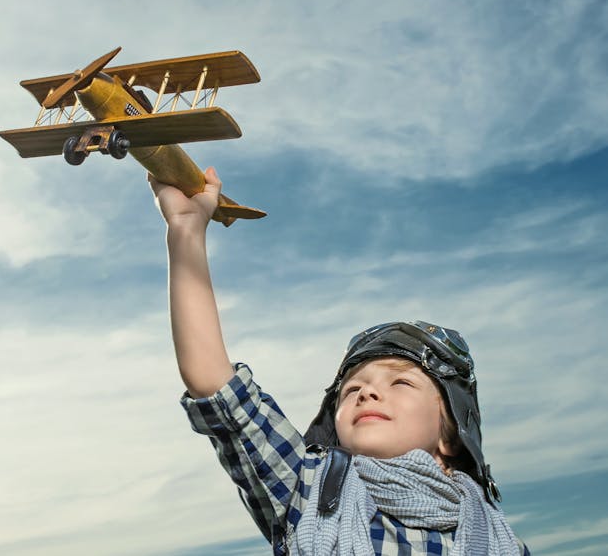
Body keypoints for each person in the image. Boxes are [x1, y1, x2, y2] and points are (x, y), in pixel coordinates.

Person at [149, 167, 530, 555]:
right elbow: (218, 387)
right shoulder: (308, 490)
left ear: (450, 435)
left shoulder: (501, 542)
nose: (366, 394)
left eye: (399, 383)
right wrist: (186, 228)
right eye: (352, 390)